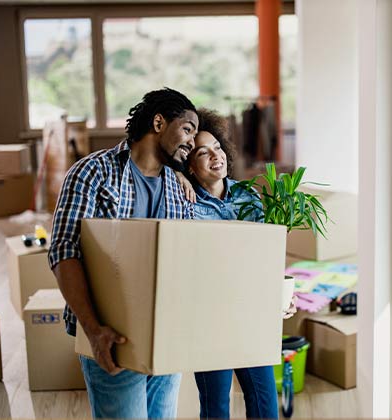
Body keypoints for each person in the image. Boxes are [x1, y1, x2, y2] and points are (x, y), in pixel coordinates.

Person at [48, 88, 198, 419]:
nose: (192, 141)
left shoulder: (177, 188)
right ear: (159, 122)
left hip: (166, 335)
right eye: (188, 129)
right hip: (111, 336)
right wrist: (92, 329)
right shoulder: (92, 173)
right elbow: (64, 251)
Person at [181, 108, 295, 419]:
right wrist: (175, 175)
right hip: (209, 319)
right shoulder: (183, 204)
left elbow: (265, 255)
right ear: (189, 165)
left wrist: (281, 294)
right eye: (202, 152)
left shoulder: (248, 197)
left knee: (264, 404)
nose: (214, 155)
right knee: (216, 407)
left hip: (250, 314)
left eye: (217, 147)